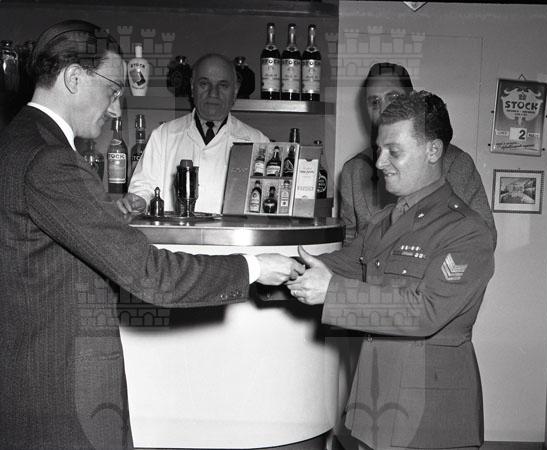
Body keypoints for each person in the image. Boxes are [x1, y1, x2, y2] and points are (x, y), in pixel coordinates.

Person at [0, 20, 303, 449]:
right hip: (60, 394)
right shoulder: (51, 161)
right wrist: (254, 267)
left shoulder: (17, 141)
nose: (115, 110)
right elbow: (150, 274)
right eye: (112, 90)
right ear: (74, 78)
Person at [287, 91, 495, 450]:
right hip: (374, 406)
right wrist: (277, 268)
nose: (380, 162)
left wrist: (331, 291)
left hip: (429, 417)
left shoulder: (467, 231)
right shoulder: (387, 219)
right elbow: (349, 264)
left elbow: (425, 311)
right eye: (379, 149)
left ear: (433, 151)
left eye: (394, 151)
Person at [339, 62, 496, 246]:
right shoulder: (355, 170)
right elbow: (347, 241)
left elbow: (484, 238)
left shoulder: (455, 163)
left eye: (393, 97)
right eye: (375, 102)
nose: (383, 110)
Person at [123, 53, 269, 214]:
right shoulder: (163, 136)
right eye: (204, 84)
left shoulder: (258, 142)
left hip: (233, 231)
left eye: (223, 85)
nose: (213, 93)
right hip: (174, 231)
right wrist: (138, 202)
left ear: (235, 91)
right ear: (192, 88)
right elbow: (142, 189)